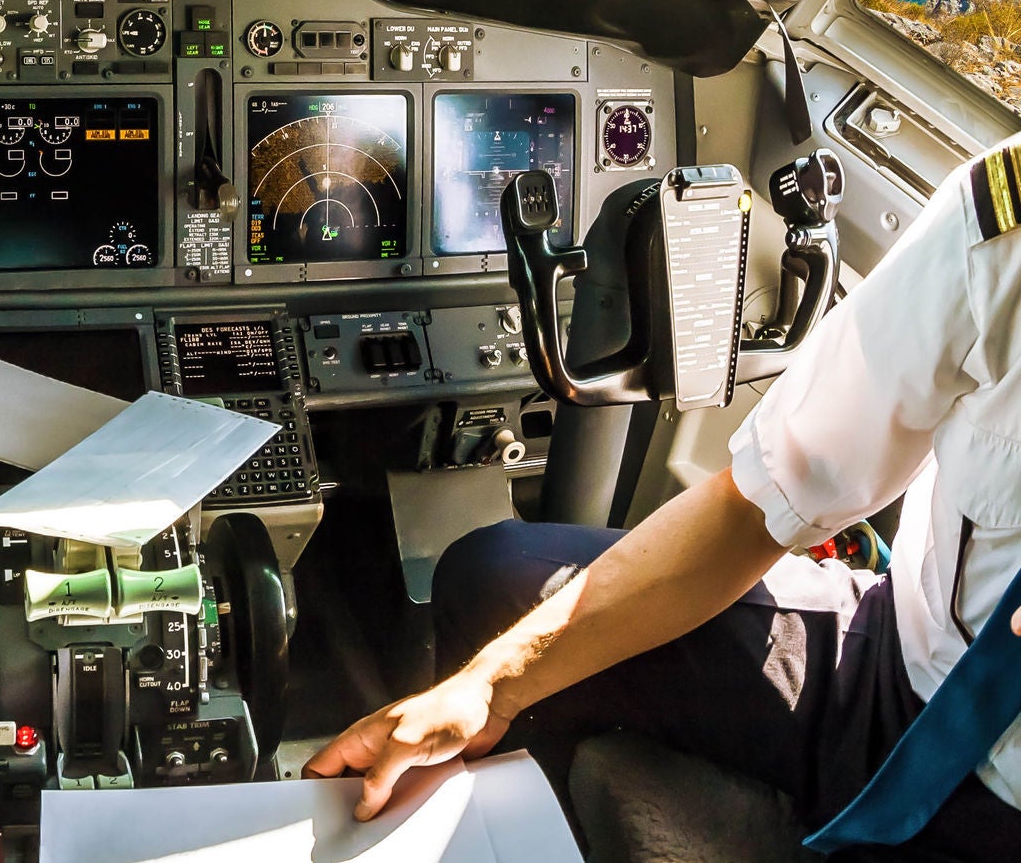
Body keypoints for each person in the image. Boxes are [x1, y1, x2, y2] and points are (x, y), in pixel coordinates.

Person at [308, 144, 1021, 861]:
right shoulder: (999, 234)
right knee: (496, 576)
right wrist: (488, 687)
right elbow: (757, 505)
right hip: (895, 671)